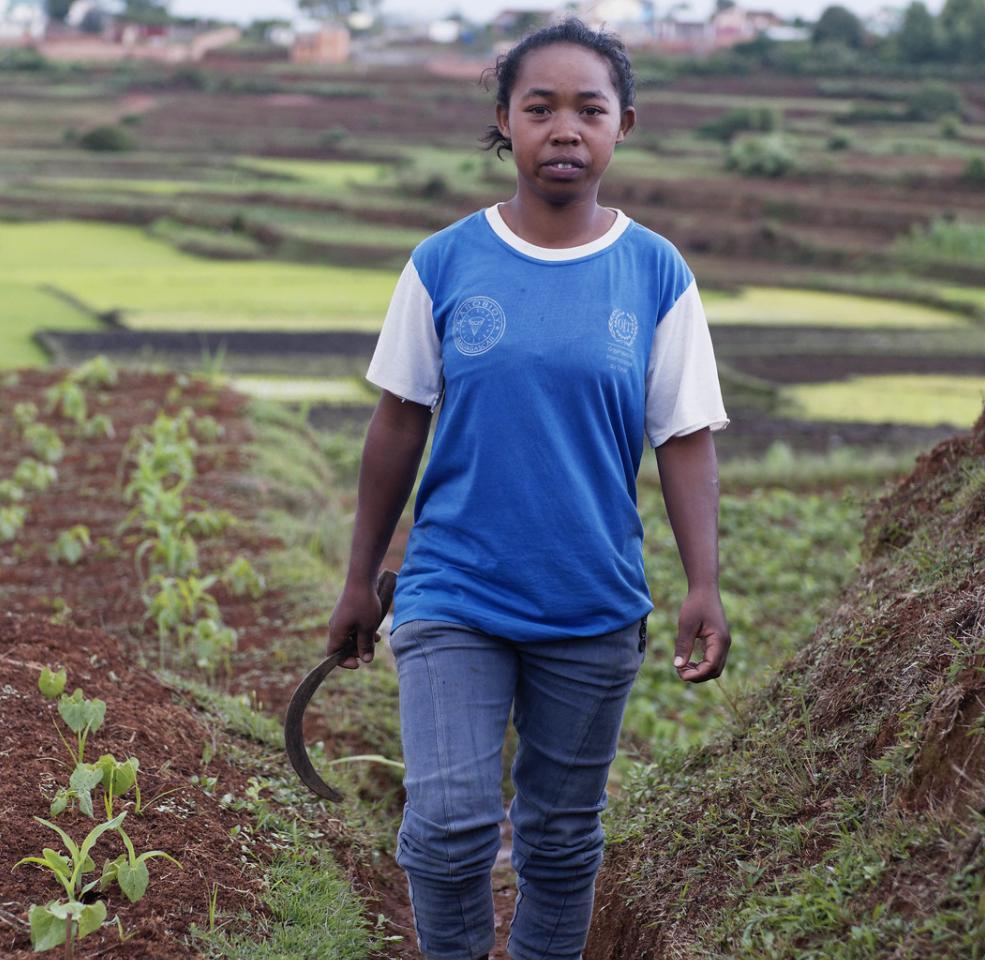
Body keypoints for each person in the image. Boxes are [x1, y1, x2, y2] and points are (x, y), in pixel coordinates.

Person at [325, 17, 731, 960]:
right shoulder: (442, 264)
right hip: (453, 593)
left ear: (623, 124)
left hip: (592, 602)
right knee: (452, 824)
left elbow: (684, 440)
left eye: (588, 109)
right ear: (503, 121)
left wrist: (702, 584)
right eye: (539, 107)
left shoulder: (656, 273)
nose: (564, 128)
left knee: (559, 837)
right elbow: (397, 424)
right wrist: (360, 579)